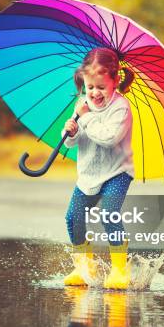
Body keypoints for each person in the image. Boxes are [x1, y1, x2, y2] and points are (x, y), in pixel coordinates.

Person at [62, 47, 135, 290]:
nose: (95, 93)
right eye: (90, 87)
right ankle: (85, 267)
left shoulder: (121, 108)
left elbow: (108, 138)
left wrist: (85, 118)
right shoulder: (82, 104)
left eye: (101, 87)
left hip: (117, 172)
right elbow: (73, 141)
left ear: (115, 81)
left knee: (108, 213)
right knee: (73, 219)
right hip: (89, 173)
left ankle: (119, 269)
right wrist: (70, 132)